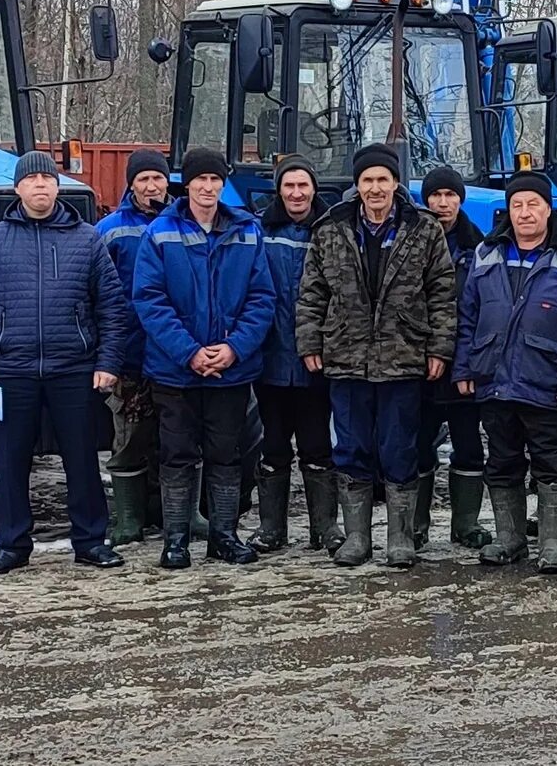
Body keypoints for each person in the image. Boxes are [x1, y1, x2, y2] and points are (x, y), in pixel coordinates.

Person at [0, 151, 139, 575]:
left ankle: (91, 542)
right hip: (9, 372)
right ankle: (12, 545)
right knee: (11, 461)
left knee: (80, 459)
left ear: (58, 187)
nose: (40, 185)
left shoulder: (87, 239)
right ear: (18, 188)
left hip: (73, 369)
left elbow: (112, 307)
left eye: (47, 178)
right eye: (32, 178)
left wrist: (107, 362)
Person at [296, 143, 460, 569]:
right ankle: (356, 538)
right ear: (357, 185)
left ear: (395, 184)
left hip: (403, 356)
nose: (374, 188)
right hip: (346, 356)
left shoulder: (423, 229)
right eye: (367, 180)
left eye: (382, 180)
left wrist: (439, 347)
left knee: (399, 447)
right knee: (350, 447)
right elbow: (312, 293)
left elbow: (443, 293)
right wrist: (310, 343)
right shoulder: (330, 228)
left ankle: (400, 538)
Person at [128, 147, 278, 569]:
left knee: (226, 454)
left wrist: (234, 349)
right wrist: (189, 352)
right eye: (201, 180)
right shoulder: (160, 233)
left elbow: (262, 298)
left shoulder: (247, 230)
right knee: (176, 455)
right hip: (175, 371)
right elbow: (150, 300)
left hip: (230, 370)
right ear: (187, 184)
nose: (208, 187)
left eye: (215, 179)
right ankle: (175, 539)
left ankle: (223, 536)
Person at [453, 171, 557, 573]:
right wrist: (465, 366)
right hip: (495, 381)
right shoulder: (487, 253)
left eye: (532, 205)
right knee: (501, 462)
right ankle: (510, 540)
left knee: (552, 464)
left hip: (549, 383)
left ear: (548, 210)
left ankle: (553, 545)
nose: (524, 213)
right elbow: (468, 317)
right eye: (517, 205)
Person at [253, 157, 333, 553]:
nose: (297, 193)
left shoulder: (332, 230)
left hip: (316, 360)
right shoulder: (259, 230)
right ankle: (272, 529)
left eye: (303, 185)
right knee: (273, 445)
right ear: (279, 190)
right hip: (269, 359)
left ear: (314, 189)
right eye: (289, 186)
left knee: (318, 444)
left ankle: (325, 527)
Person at [95, 150, 175, 544]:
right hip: (128, 353)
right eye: (142, 179)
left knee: (175, 438)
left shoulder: (185, 223)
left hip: (176, 352)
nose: (150, 186)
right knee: (129, 437)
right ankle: (129, 519)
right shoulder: (110, 229)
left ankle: (173, 514)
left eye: (156, 179)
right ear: (131, 184)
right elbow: (97, 292)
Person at [412, 164, 492, 552]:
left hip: (463, 368)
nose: (442, 204)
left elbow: (481, 312)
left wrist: (469, 363)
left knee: (469, 446)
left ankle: (466, 524)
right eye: (435, 196)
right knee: (418, 445)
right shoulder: (411, 244)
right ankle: (416, 525)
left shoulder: (479, 249)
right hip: (420, 366)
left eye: (450, 196)